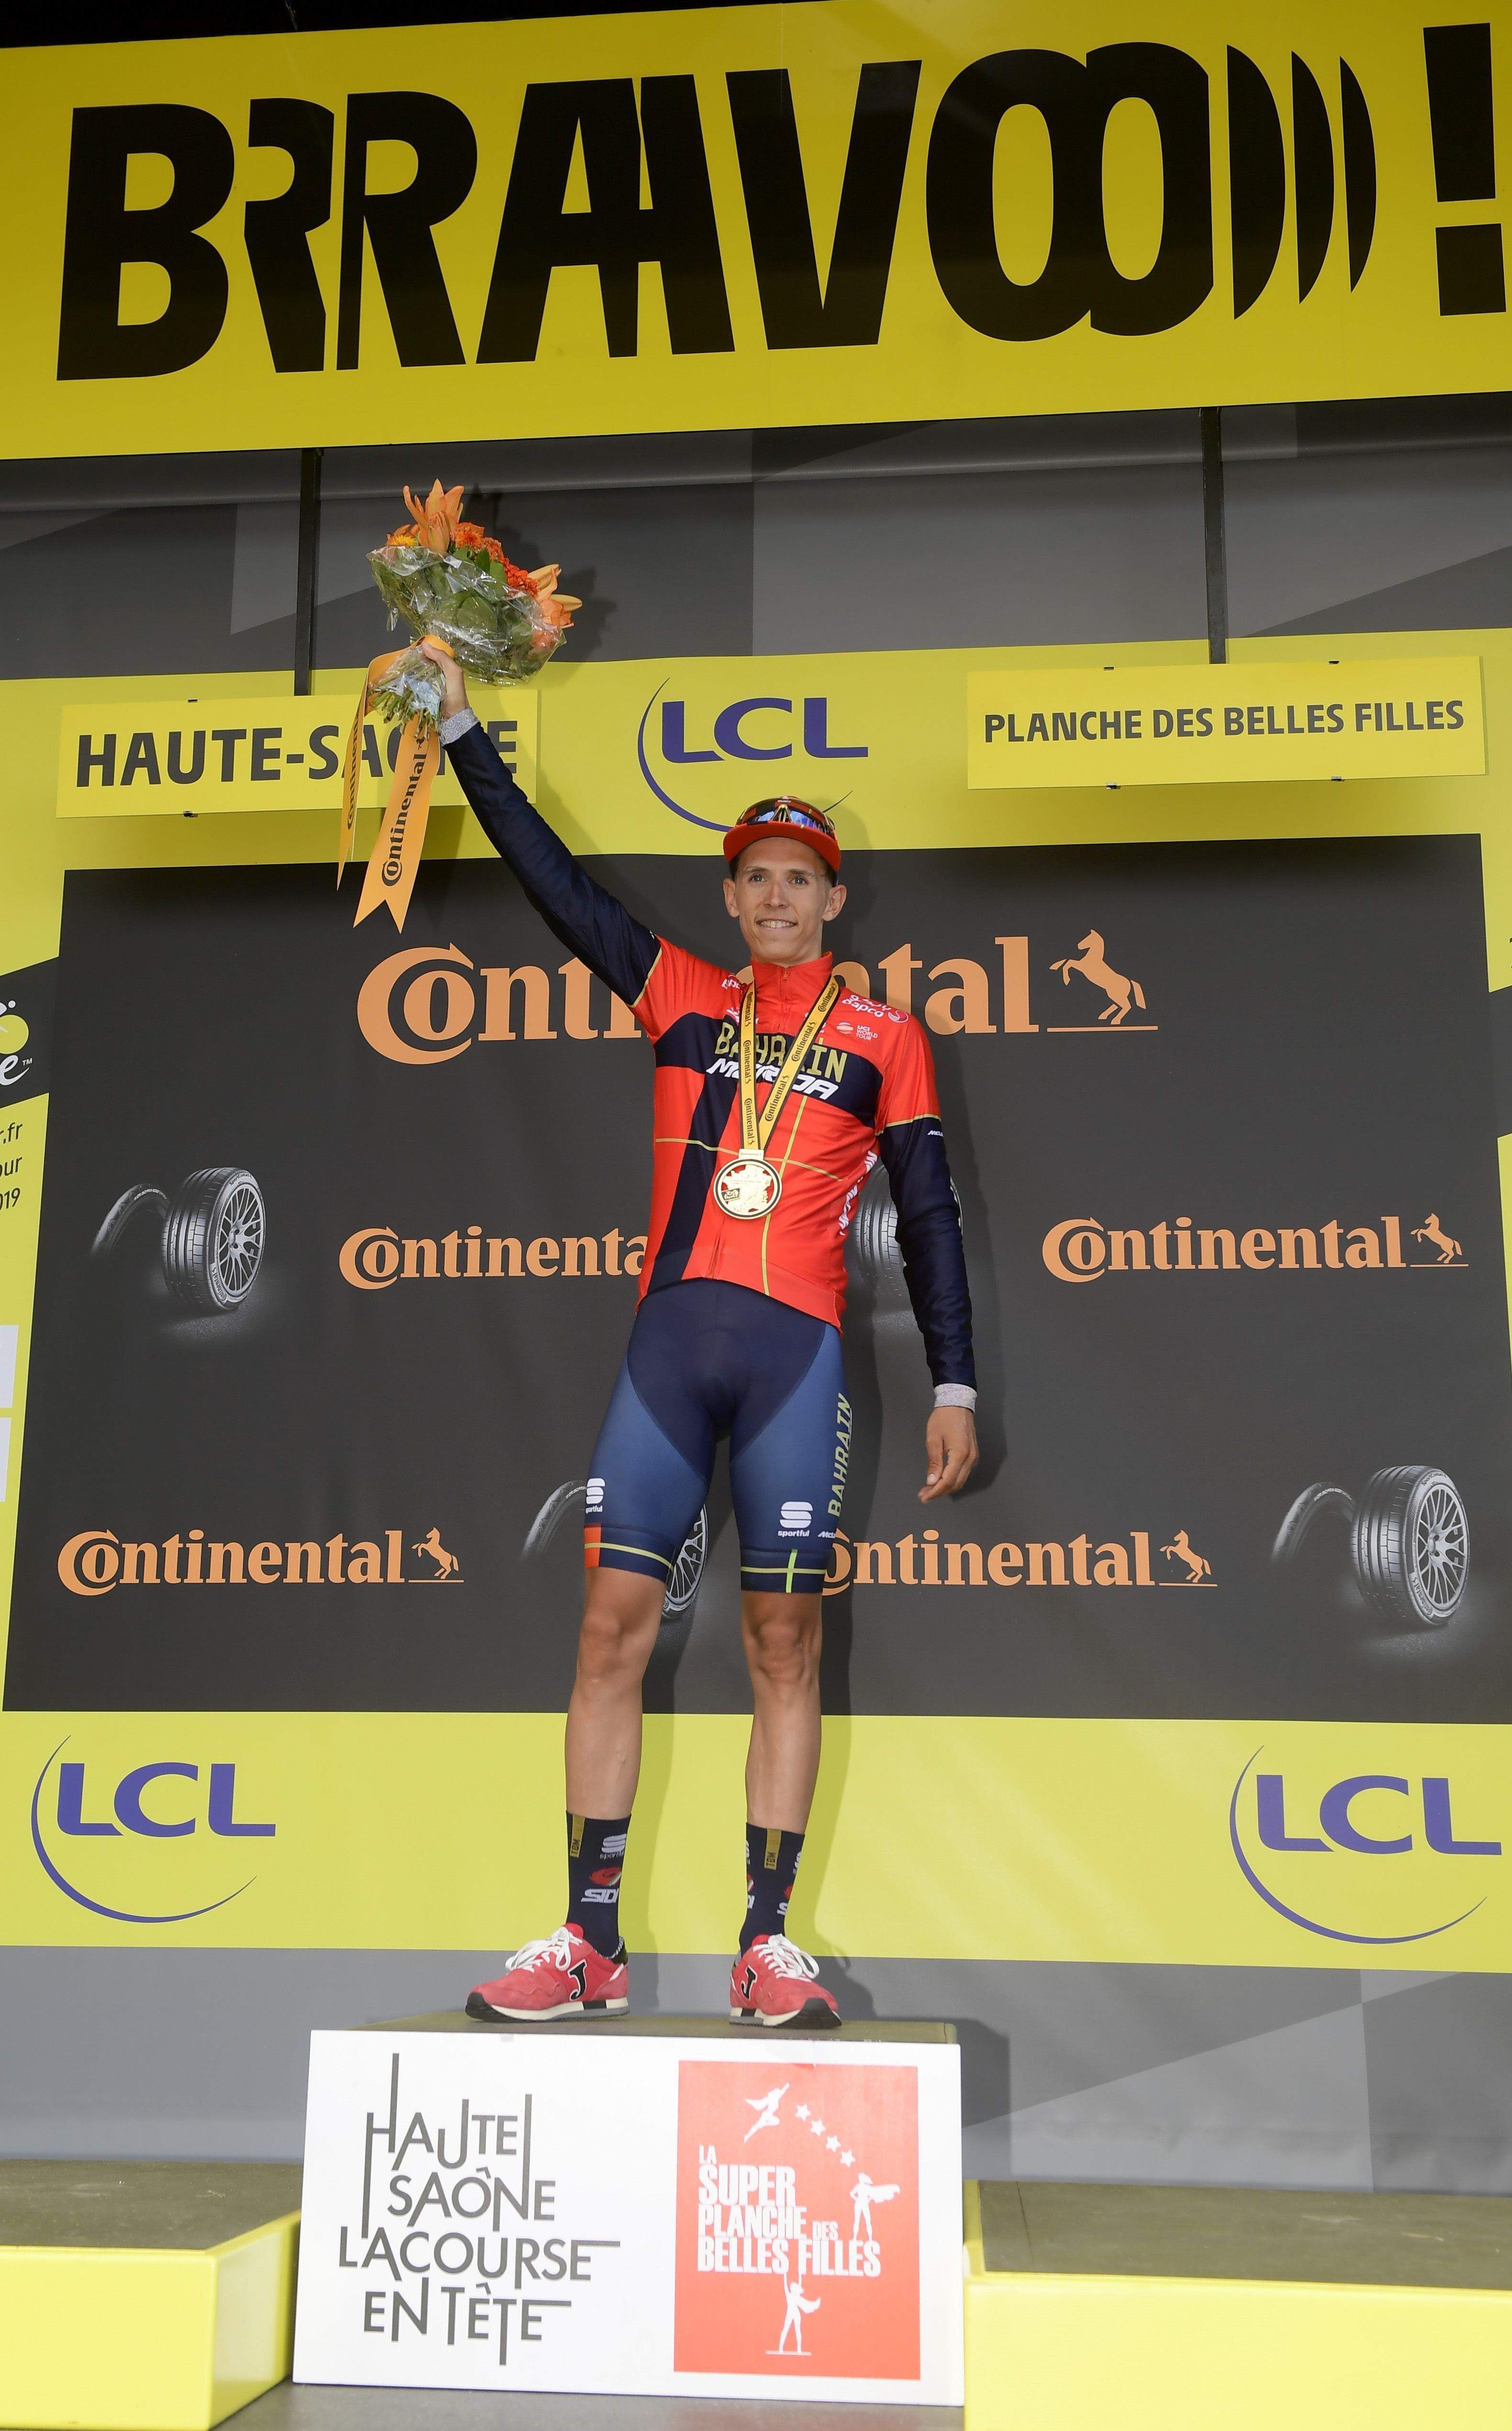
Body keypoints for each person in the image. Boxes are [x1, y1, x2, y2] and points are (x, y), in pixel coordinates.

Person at [423, 641, 978, 2030]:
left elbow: (932, 1216)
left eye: (801, 875)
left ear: (833, 898)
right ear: (730, 898)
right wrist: (459, 732)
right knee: (611, 1633)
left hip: (795, 1359)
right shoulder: (675, 991)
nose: (777, 894)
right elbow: (555, 883)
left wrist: (955, 1380)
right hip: (667, 1353)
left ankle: (767, 1940)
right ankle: (588, 1939)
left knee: (784, 1643)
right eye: (756, 876)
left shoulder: (884, 1036)